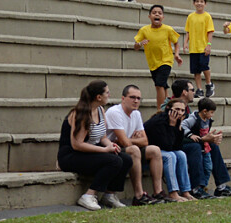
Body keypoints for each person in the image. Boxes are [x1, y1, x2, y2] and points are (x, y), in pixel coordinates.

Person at [57, 80, 132, 211]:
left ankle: (109, 194)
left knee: (125, 159)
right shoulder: (81, 114)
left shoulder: (100, 110)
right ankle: (88, 195)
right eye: (107, 93)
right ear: (98, 97)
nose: (109, 95)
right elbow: (77, 145)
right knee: (113, 161)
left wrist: (111, 146)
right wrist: (104, 150)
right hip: (71, 155)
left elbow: (102, 137)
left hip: (89, 152)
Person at [105, 84, 164, 206]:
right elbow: (124, 142)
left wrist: (130, 140)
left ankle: (158, 192)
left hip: (126, 147)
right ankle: (139, 195)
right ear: (123, 98)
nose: (136, 101)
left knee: (155, 150)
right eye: (132, 97)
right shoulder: (114, 112)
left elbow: (145, 141)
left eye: (138, 98)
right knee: (134, 150)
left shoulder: (136, 113)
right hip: (110, 149)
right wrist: (131, 140)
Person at [181, 96, 231, 197]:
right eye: (192, 89)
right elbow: (179, 131)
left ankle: (221, 186)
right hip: (185, 142)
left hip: (198, 140)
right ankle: (196, 187)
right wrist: (198, 137)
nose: (194, 93)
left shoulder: (204, 117)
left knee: (213, 145)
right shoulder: (189, 116)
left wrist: (213, 137)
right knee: (196, 147)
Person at [143, 97, 195, 202]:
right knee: (170, 156)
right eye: (176, 109)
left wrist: (179, 128)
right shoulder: (159, 121)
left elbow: (177, 147)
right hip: (150, 151)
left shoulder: (176, 121)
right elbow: (167, 146)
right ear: (168, 109)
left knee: (181, 154)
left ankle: (185, 191)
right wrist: (172, 125)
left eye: (182, 110)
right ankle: (173, 192)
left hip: (162, 149)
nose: (179, 112)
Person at [133, 4, 182, 112]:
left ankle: (160, 110)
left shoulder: (168, 29)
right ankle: (169, 106)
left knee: (159, 84)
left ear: (163, 17)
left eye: (159, 13)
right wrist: (140, 43)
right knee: (162, 86)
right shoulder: (144, 30)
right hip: (152, 63)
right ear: (149, 16)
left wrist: (176, 54)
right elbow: (135, 46)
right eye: (154, 13)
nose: (157, 14)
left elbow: (176, 43)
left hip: (166, 61)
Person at [184, 0, 215, 98]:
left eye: (201, 1)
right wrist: (185, 43)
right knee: (196, 70)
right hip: (193, 48)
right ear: (194, 3)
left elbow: (210, 32)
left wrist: (209, 45)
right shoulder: (190, 17)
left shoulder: (207, 17)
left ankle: (209, 84)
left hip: (203, 47)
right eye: (197, 1)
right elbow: (188, 31)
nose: (199, 3)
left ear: (205, 3)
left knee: (204, 66)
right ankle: (199, 89)